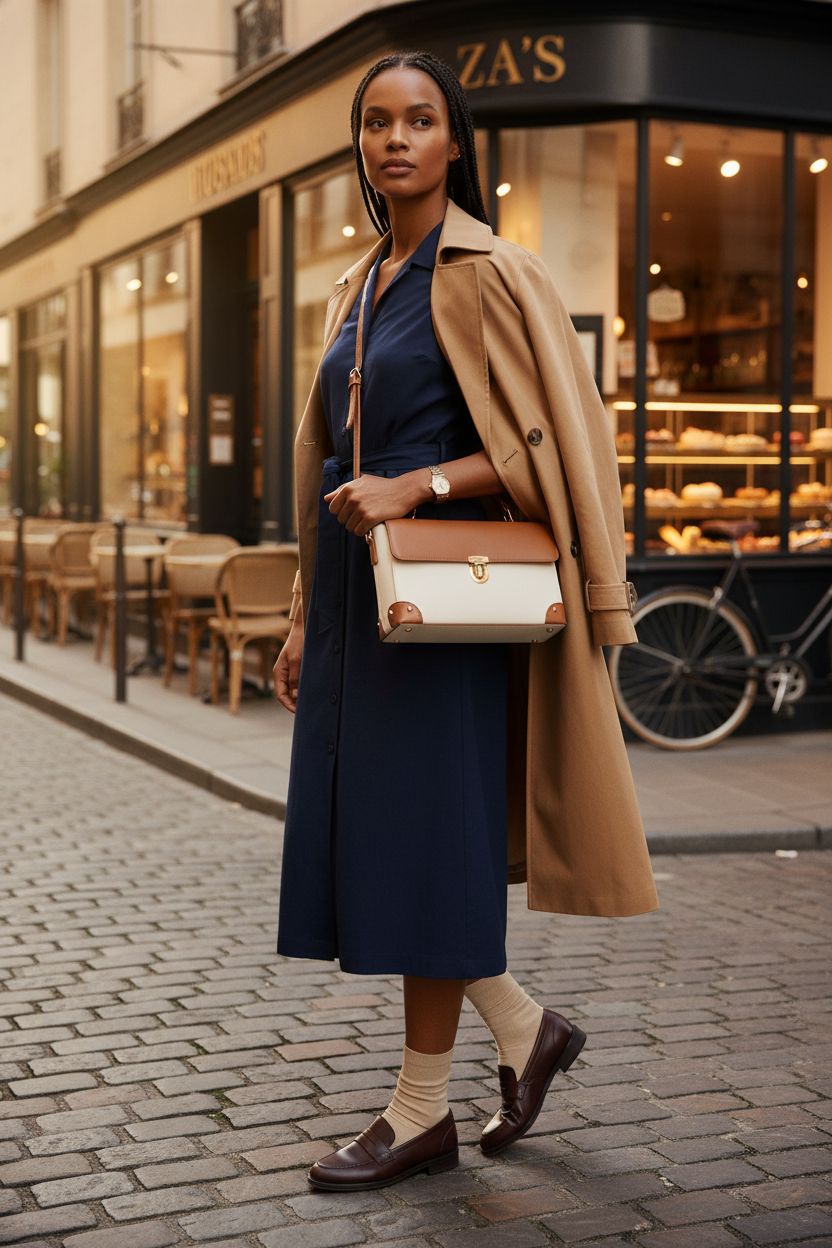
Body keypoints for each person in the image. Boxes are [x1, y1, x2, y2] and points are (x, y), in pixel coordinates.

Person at [273, 49, 658, 1192]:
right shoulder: (358, 283)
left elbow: (555, 442)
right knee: (391, 848)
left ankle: (418, 1114)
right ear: (360, 144)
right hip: (356, 601)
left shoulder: (492, 270)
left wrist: (416, 485)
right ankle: (526, 1031)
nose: (394, 139)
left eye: (419, 121)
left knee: (424, 845)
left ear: (455, 143)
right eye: (376, 122)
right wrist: (302, 614)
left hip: (445, 604)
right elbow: (323, 461)